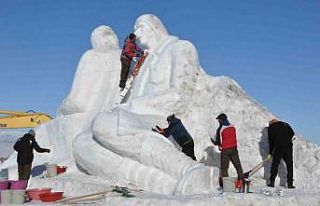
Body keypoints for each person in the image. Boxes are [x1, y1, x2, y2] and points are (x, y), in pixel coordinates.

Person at [211, 113, 244, 183]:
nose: (218, 121)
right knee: (238, 165)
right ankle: (241, 180)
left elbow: (218, 142)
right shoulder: (232, 126)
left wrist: (213, 142)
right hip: (234, 148)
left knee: (224, 168)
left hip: (225, 151)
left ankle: (226, 184)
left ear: (221, 120)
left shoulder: (220, 129)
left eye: (219, 120)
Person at [267, 119, 295, 188]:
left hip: (278, 147)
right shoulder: (285, 124)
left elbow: (271, 142)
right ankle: (290, 184)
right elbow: (292, 133)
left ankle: (272, 182)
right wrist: (287, 138)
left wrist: (270, 153)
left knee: (275, 164)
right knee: (289, 165)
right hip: (288, 146)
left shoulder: (271, 128)